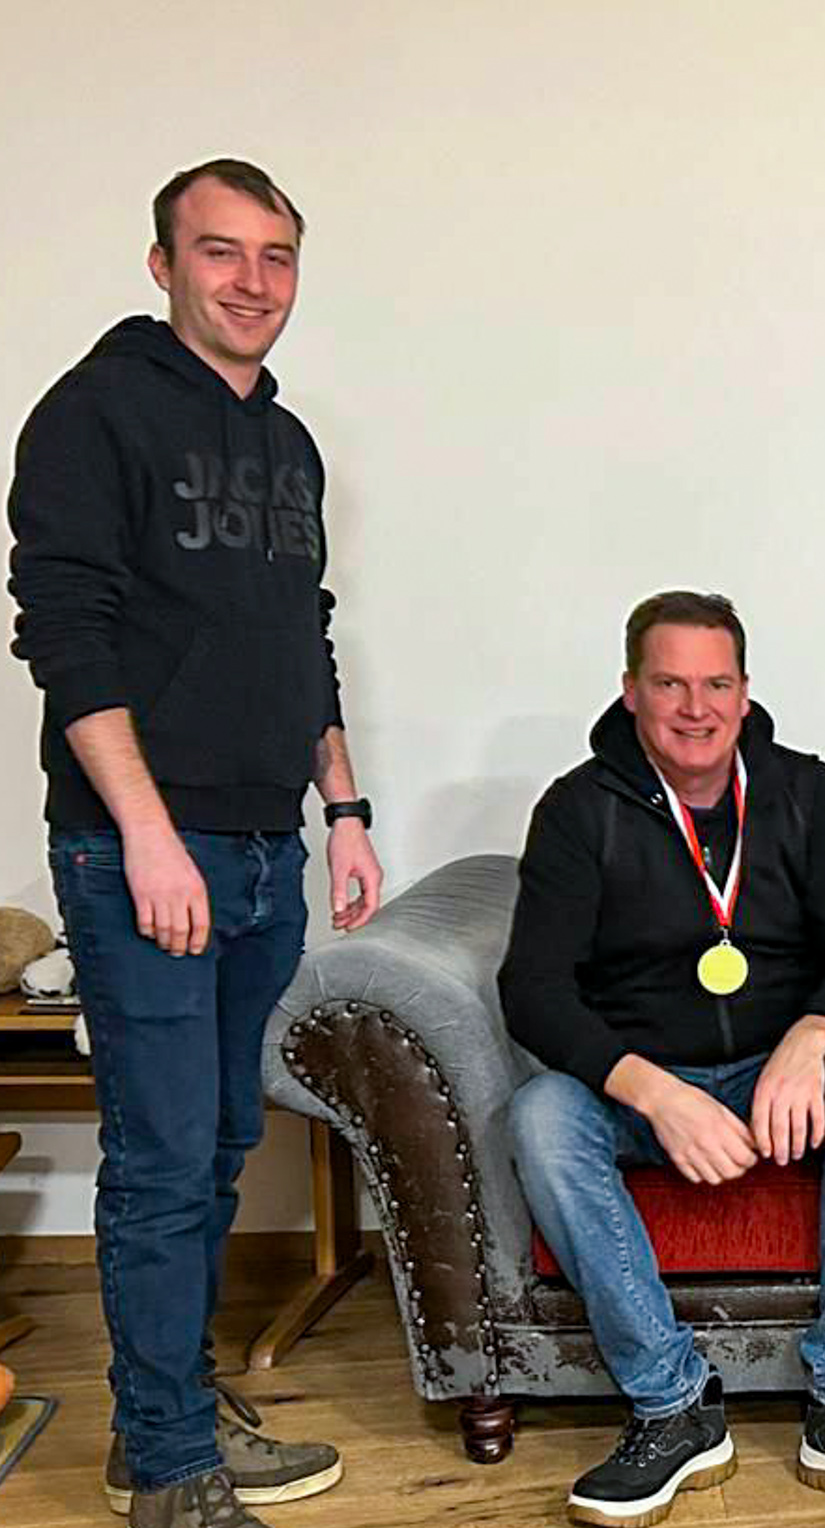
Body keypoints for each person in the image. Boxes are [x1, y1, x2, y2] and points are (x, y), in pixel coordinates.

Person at [8, 159, 380, 1528]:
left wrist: (342, 807)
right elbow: (66, 636)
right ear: (163, 264)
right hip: (143, 855)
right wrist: (148, 836)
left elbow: (302, 631)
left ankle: (164, 1407)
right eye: (220, 251)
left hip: (266, 844)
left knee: (222, 1142)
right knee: (164, 1160)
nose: (252, 280)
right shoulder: (93, 413)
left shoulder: (287, 444)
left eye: (277, 255)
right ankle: (167, 1468)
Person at [498, 591, 825, 1526]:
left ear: (745, 693)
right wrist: (653, 1092)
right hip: (644, 1088)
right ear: (631, 691)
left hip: (785, 1080)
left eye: (716, 684)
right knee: (540, 1115)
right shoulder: (577, 809)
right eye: (670, 684)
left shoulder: (806, 791)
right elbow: (532, 989)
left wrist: (810, 1040)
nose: (695, 708)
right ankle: (672, 1406)